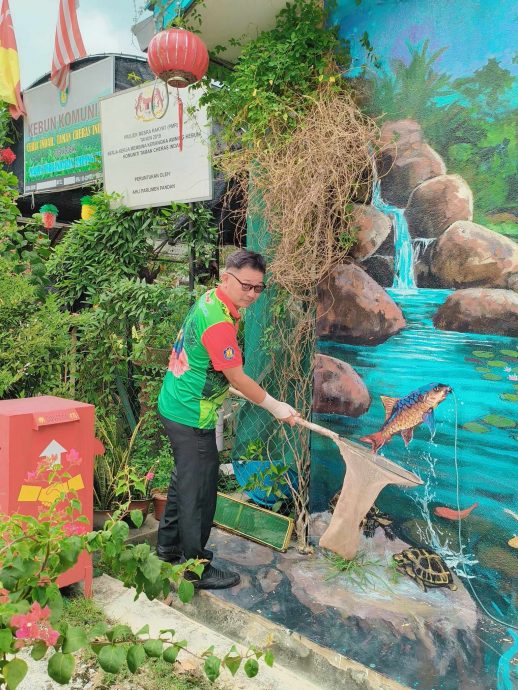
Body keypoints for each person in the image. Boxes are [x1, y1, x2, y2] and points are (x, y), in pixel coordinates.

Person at [156, 249, 299, 590]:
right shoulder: (219, 321)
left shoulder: (213, 300)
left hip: (176, 403)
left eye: (258, 288)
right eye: (245, 285)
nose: (251, 293)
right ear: (226, 277)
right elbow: (237, 378)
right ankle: (195, 570)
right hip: (192, 416)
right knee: (200, 494)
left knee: (184, 481)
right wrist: (277, 406)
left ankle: (166, 548)